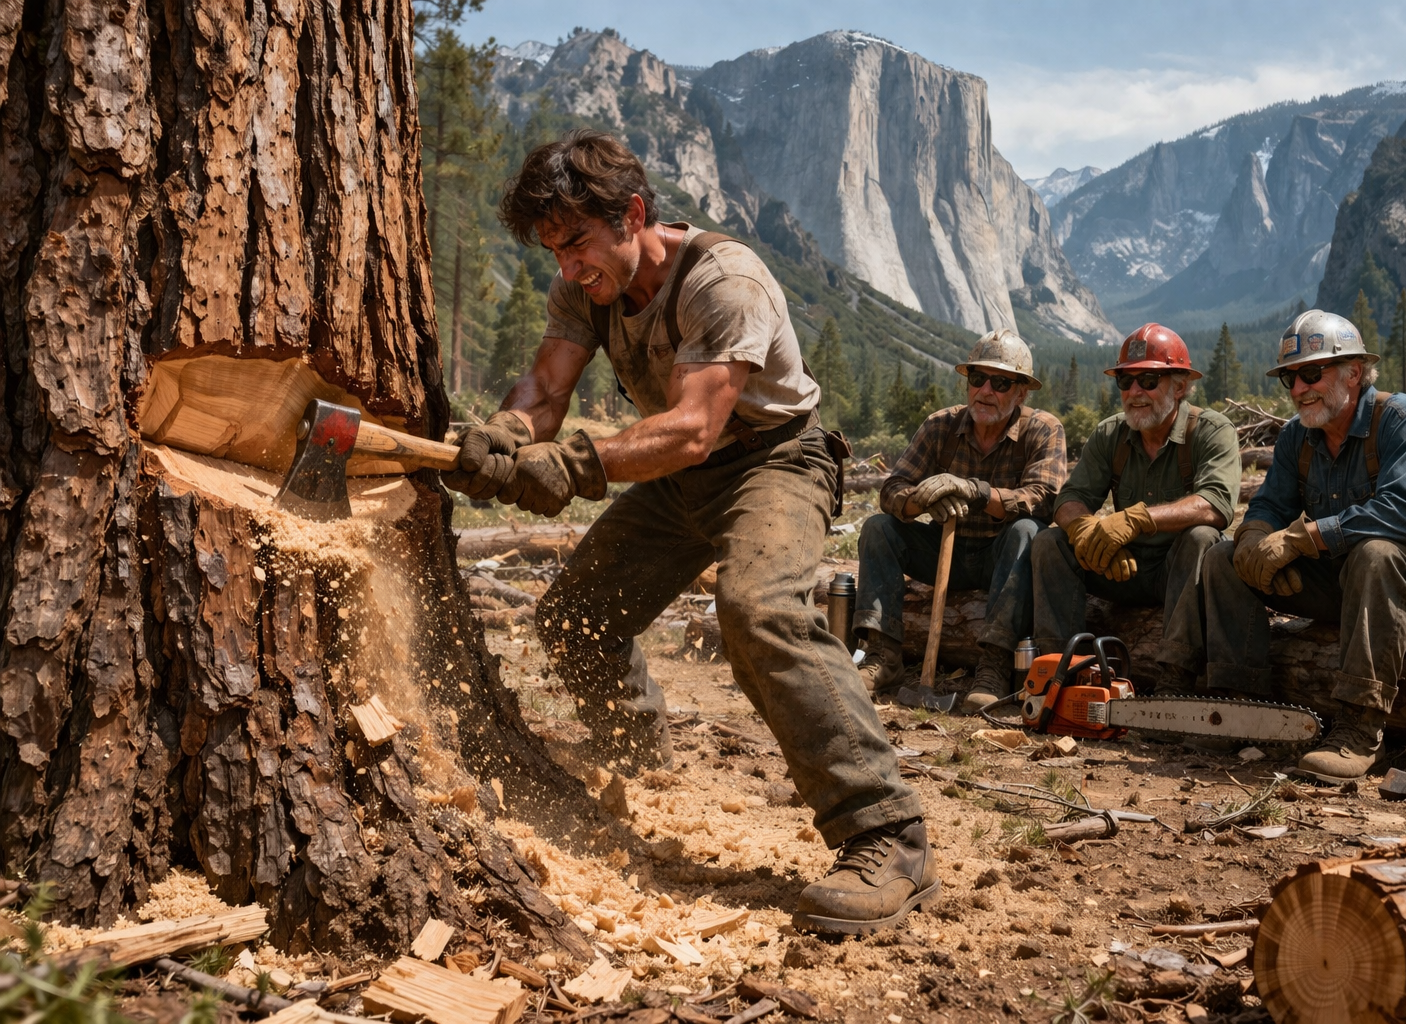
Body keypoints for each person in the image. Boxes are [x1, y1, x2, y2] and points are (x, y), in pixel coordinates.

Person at [442, 129, 934, 935]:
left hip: (771, 460)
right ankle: (642, 768)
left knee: (758, 610)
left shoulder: (725, 280)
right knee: (576, 615)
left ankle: (888, 832)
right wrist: (507, 430)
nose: (568, 268)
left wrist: (572, 465)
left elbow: (697, 426)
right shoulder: (585, 287)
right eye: (554, 252)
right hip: (680, 474)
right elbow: (546, 386)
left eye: (577, 245)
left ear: (633, 213)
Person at [1200, 309, 1406, 780]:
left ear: (1353, 371)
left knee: (1376, 555)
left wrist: (1301, 539)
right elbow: (1268, 505)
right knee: (1223, 557)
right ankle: (1240, 705)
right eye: (1290, 378)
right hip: (1346, 575)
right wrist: (1253, 542)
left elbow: (1402, 515)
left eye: (1311, 373)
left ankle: (1359, 728)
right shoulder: (1297, 437)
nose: (1299, 389)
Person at [855, 331, 1066, 711]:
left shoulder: (1043, 430)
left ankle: (993, 666)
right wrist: (920, 501)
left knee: (1027, 531)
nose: (985, 390)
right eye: (977, 379)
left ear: (1021, 393)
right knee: (878, 529)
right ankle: (883, 658)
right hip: (942, 554)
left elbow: (1043, 500)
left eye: (1000, 382)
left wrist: (977, 492)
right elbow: (891, 490)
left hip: (1002, 558)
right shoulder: (941, 425)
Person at [1031, 324, 1242, 684]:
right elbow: (1070, 499)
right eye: (1125, 382)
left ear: (1180, 386)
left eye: (1148, 380)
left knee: (1202, 538)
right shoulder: (1110, 434)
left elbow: (1216, 504)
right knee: (1050, 543)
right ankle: (1060, 671)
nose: (1134, 392)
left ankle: (1176, 677)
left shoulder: (1210, 430)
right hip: (1119, 567)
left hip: (1178, 575)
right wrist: (1087, 532)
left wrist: (1138, 519)